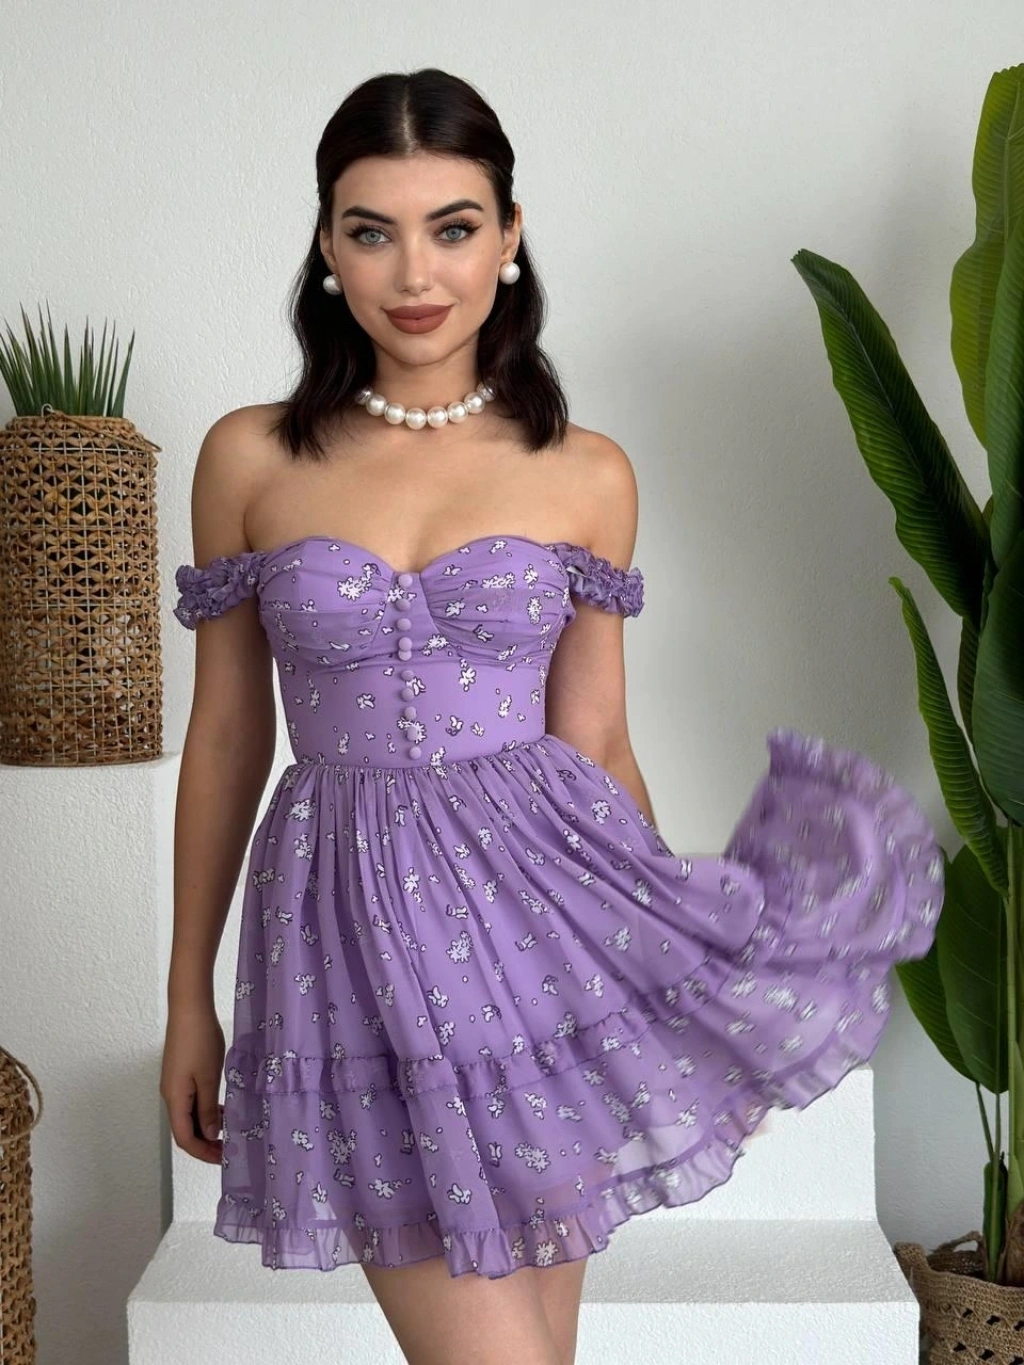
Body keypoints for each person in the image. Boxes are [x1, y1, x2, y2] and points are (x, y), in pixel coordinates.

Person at [161, 67, 943, 1365]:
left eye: (455, 227)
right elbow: (229, 738)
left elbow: (596, 740)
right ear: (327, 248)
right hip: (348, 941)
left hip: (545, 941)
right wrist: (188, 993)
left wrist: (672, 980)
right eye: (373, 230)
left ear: (510, 238)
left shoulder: (586, 473)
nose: (417, 271)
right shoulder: (249, 458)